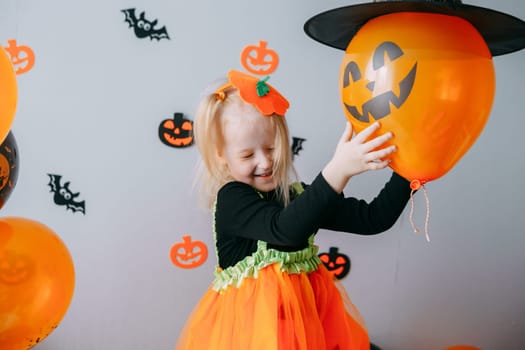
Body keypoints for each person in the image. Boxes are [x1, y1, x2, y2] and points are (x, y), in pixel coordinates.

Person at [176, 69, 413, 350]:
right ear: (222, 156)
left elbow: (374, 219)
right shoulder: (233, 199)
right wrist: (338, 171)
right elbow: (283, 230)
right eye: (248, 155)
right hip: (255, 339)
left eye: (272, 147)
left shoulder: (299, 197)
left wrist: (410, 170)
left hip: (306, 331)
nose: (265, 163)